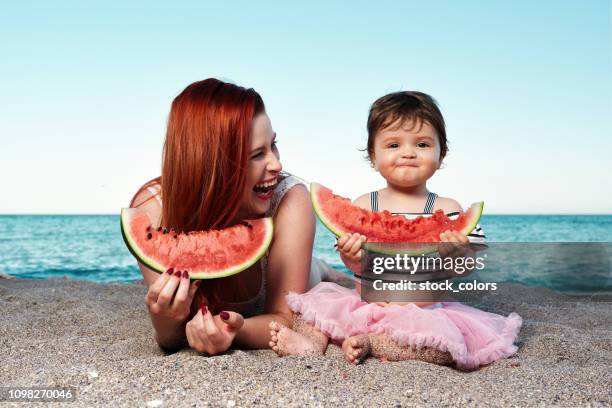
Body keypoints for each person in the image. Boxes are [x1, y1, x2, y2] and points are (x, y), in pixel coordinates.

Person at [269, 91, 522, 370]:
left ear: (442, 154)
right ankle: (312, 343)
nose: (408, 152)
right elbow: (358, 266)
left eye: (423, 144)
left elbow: (465, 266)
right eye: (393, 145)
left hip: (424, 314)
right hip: (364, 307)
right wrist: (351, 255)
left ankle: (372, 343)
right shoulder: (365, 205)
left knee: (445, 349)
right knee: (310, 311)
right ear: (373, 156)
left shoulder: (450, 209)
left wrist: (459, 254)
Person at [130, 78, 332, 355]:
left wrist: (235, 331)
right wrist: (164, 322)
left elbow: (285, 319)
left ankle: (326, 269)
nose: (276, 163)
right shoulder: (152, 210)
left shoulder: (290, 199)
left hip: (305, 276)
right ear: (211, 165)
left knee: (322, 274)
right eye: (256, 155)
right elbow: (171, 339)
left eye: (273, 145)